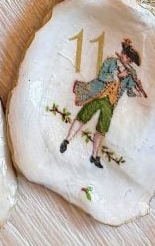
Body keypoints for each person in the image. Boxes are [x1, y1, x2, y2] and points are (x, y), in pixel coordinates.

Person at [60, 39, 146, 167]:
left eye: (127, 57)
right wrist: (118, 76)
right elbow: (102, 76)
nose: (123, 56)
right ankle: (67, 140)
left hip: (110, 103)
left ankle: (94, 156)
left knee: (102, 128)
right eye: (123, 53)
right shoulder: (111, 61)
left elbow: (129, 92)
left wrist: (138, 89)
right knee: (84, 115)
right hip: (98, 94)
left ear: (130, 61)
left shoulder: (131, 73)